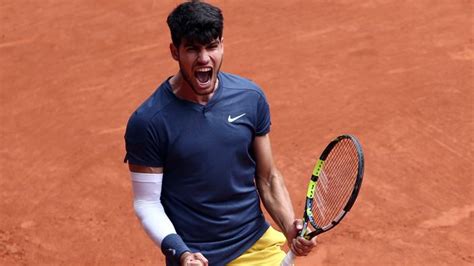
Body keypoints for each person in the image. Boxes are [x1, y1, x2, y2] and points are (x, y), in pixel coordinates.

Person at [124, 1, 317, 265]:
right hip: (197, 258)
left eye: (212, 46)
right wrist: (180, 252)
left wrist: (288, 226)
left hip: (256, 244)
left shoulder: (250, 98)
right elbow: (147, 203)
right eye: (192, 49)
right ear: (174, 51)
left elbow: (268, 176)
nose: (204, 59)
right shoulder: (149, 122)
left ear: (222, 45)